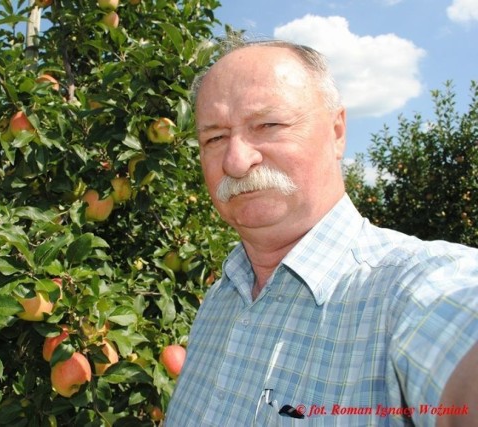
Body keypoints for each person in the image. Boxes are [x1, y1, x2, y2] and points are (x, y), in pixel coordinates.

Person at [164, 39, 478, 426]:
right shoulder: (218, 299)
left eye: (268, 125)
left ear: (337, 132)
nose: (236, 160)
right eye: (214, 138)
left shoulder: (412, 288)